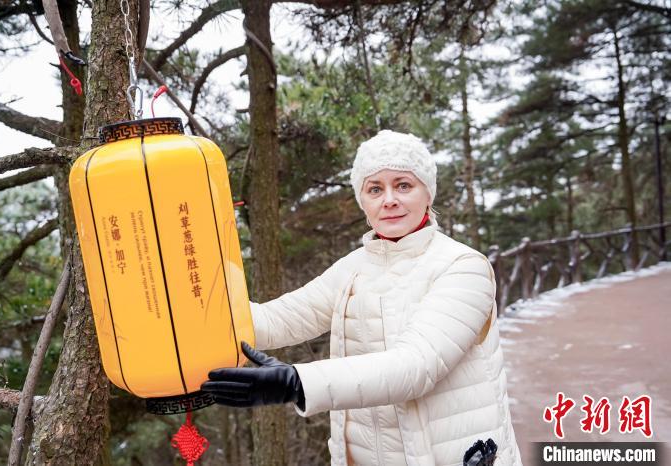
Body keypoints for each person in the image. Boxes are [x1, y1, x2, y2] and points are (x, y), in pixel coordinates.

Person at [202, 130, 523, 466]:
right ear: (363, 201)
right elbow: (280, 320)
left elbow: (416, 365)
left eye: (403, 185)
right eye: (375, 189)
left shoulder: (463, 266)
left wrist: (297, 382)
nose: (389, 200)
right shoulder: (353, 268)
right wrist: (195, 313)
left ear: (427, 193)